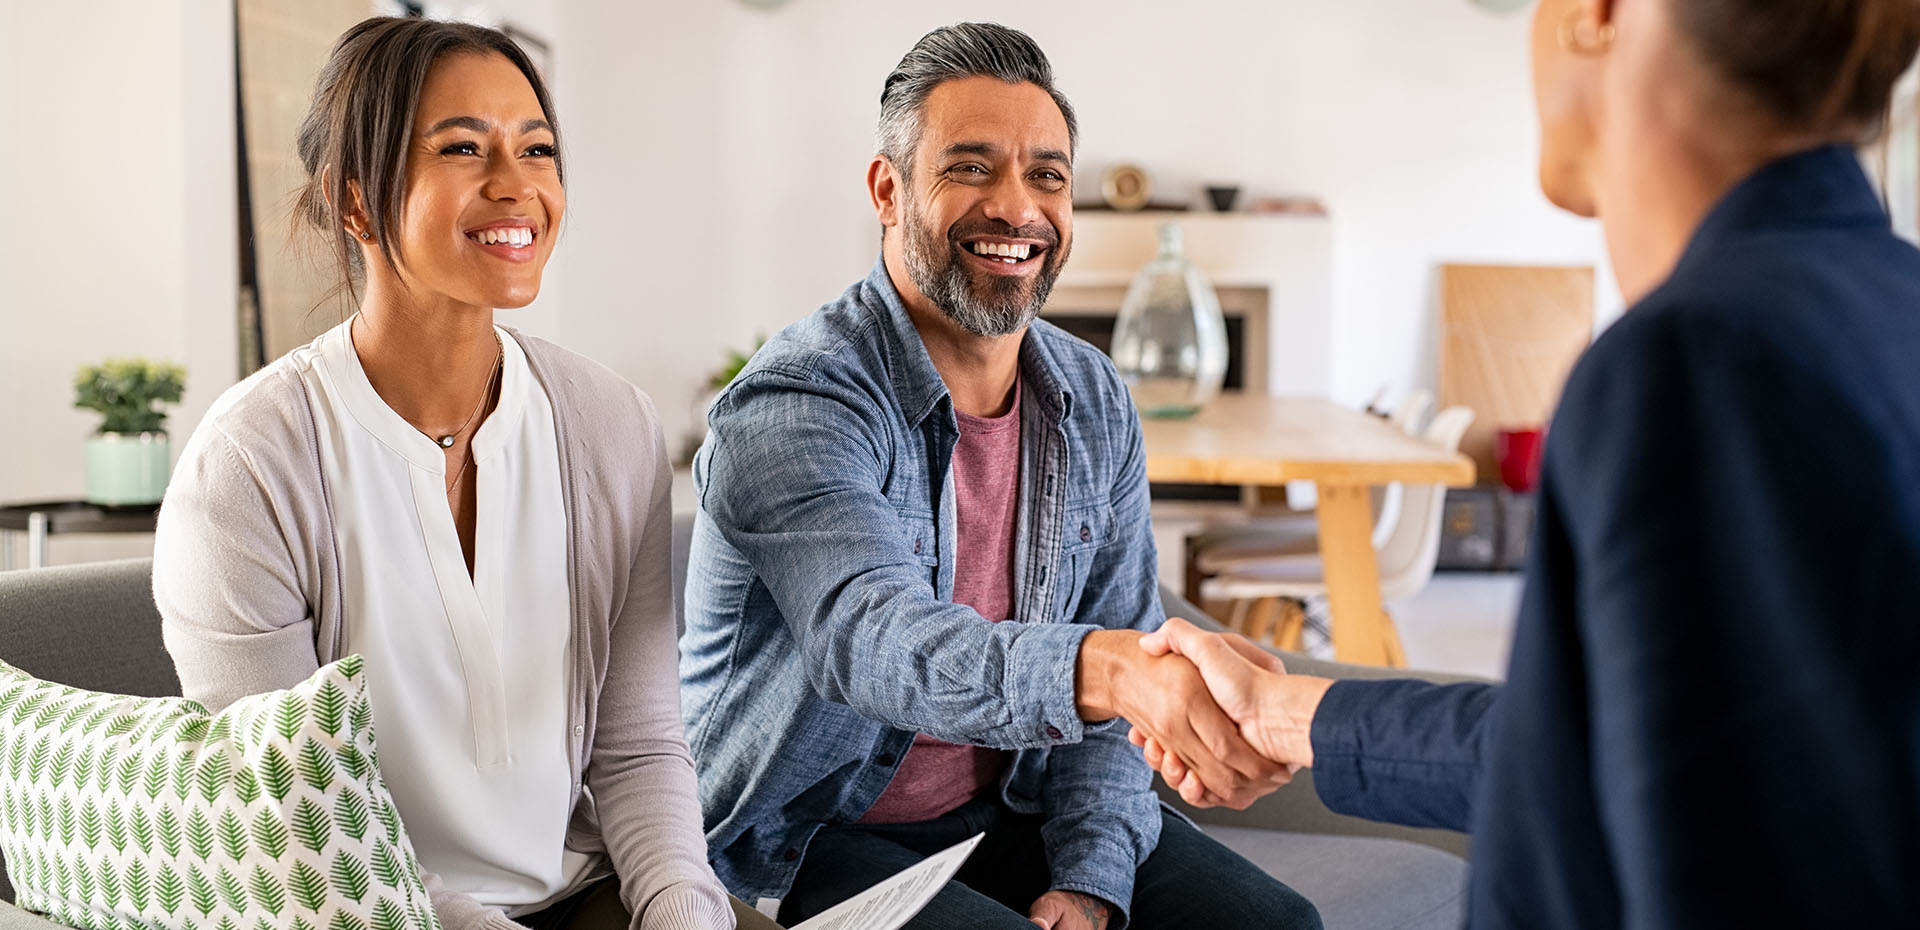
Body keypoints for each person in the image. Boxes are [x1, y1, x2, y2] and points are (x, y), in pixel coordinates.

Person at [1128, 0, 1920, 926]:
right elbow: (1606, 750)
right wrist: (1283, 712)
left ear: (1600, 14)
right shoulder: (1888, 306)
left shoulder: (1697, 360)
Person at [679, 22, 1318, 930]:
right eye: (970, 168)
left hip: (1007, 808)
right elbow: (875, 639)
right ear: (887, 188)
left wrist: (1093, 876)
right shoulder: (795, 406)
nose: (1016, 208)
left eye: (1047, 176)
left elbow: (1120, 650)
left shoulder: (1090, 395)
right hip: (806, 833)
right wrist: (1111, 669)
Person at [153, 17, 771, 930]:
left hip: (577, 892)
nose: (516, 186)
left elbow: (637, 746)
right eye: (461, 148)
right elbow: (298, 828)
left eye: (538, 149)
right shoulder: (248, 466)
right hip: (357, 909)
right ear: (354, 201)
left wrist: (684, 909)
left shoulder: (610, 425)